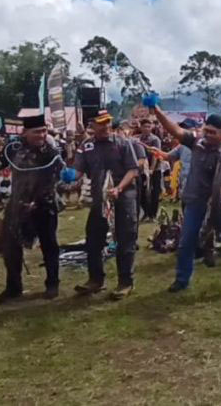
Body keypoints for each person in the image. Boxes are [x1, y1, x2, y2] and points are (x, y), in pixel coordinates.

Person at [150, 106, 221, 295]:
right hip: (195, 200)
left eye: (212, 132)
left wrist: (217, 195)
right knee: (187, 241)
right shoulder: (196, 142)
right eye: (206, 130)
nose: (207, 135)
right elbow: (175, 130)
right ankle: (182, 280)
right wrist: (156, 111)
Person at [0, 115, 63, 303]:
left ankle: (52, 284)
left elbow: (53, 179)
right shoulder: (14, 148)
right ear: (25, 132)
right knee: (10, 247)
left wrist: (36, 201)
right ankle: (13, 287)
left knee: (49, 245)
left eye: (44, 131)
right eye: (36, 132)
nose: (41, 135)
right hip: (17, 205)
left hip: (44, 204)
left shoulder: (51, 150)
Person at [73, 110, 140, 300]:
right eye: (100, 124)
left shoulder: (123, 143)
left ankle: (125, 282)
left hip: (123, 196)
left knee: (125, 239)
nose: (105, 127)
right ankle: (96, 280)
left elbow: (133, 170)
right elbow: (78, 171)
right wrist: (69, 177)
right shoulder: (86, 147)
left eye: (108, 123)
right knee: (93, 240)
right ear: (92, 126)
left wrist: (118, 188)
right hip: (99, 199)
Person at [138, 118, 162, 223]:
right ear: (141, 127)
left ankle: (153, 215)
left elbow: (155, 155)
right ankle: (146, 213)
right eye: (145, 126)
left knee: (154, 192)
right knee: (142, 192)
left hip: (155, 169)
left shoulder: (155, 139)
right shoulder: (138, 139)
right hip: (143, 170)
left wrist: (152, 169)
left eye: (149, 126)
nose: (147, 128)